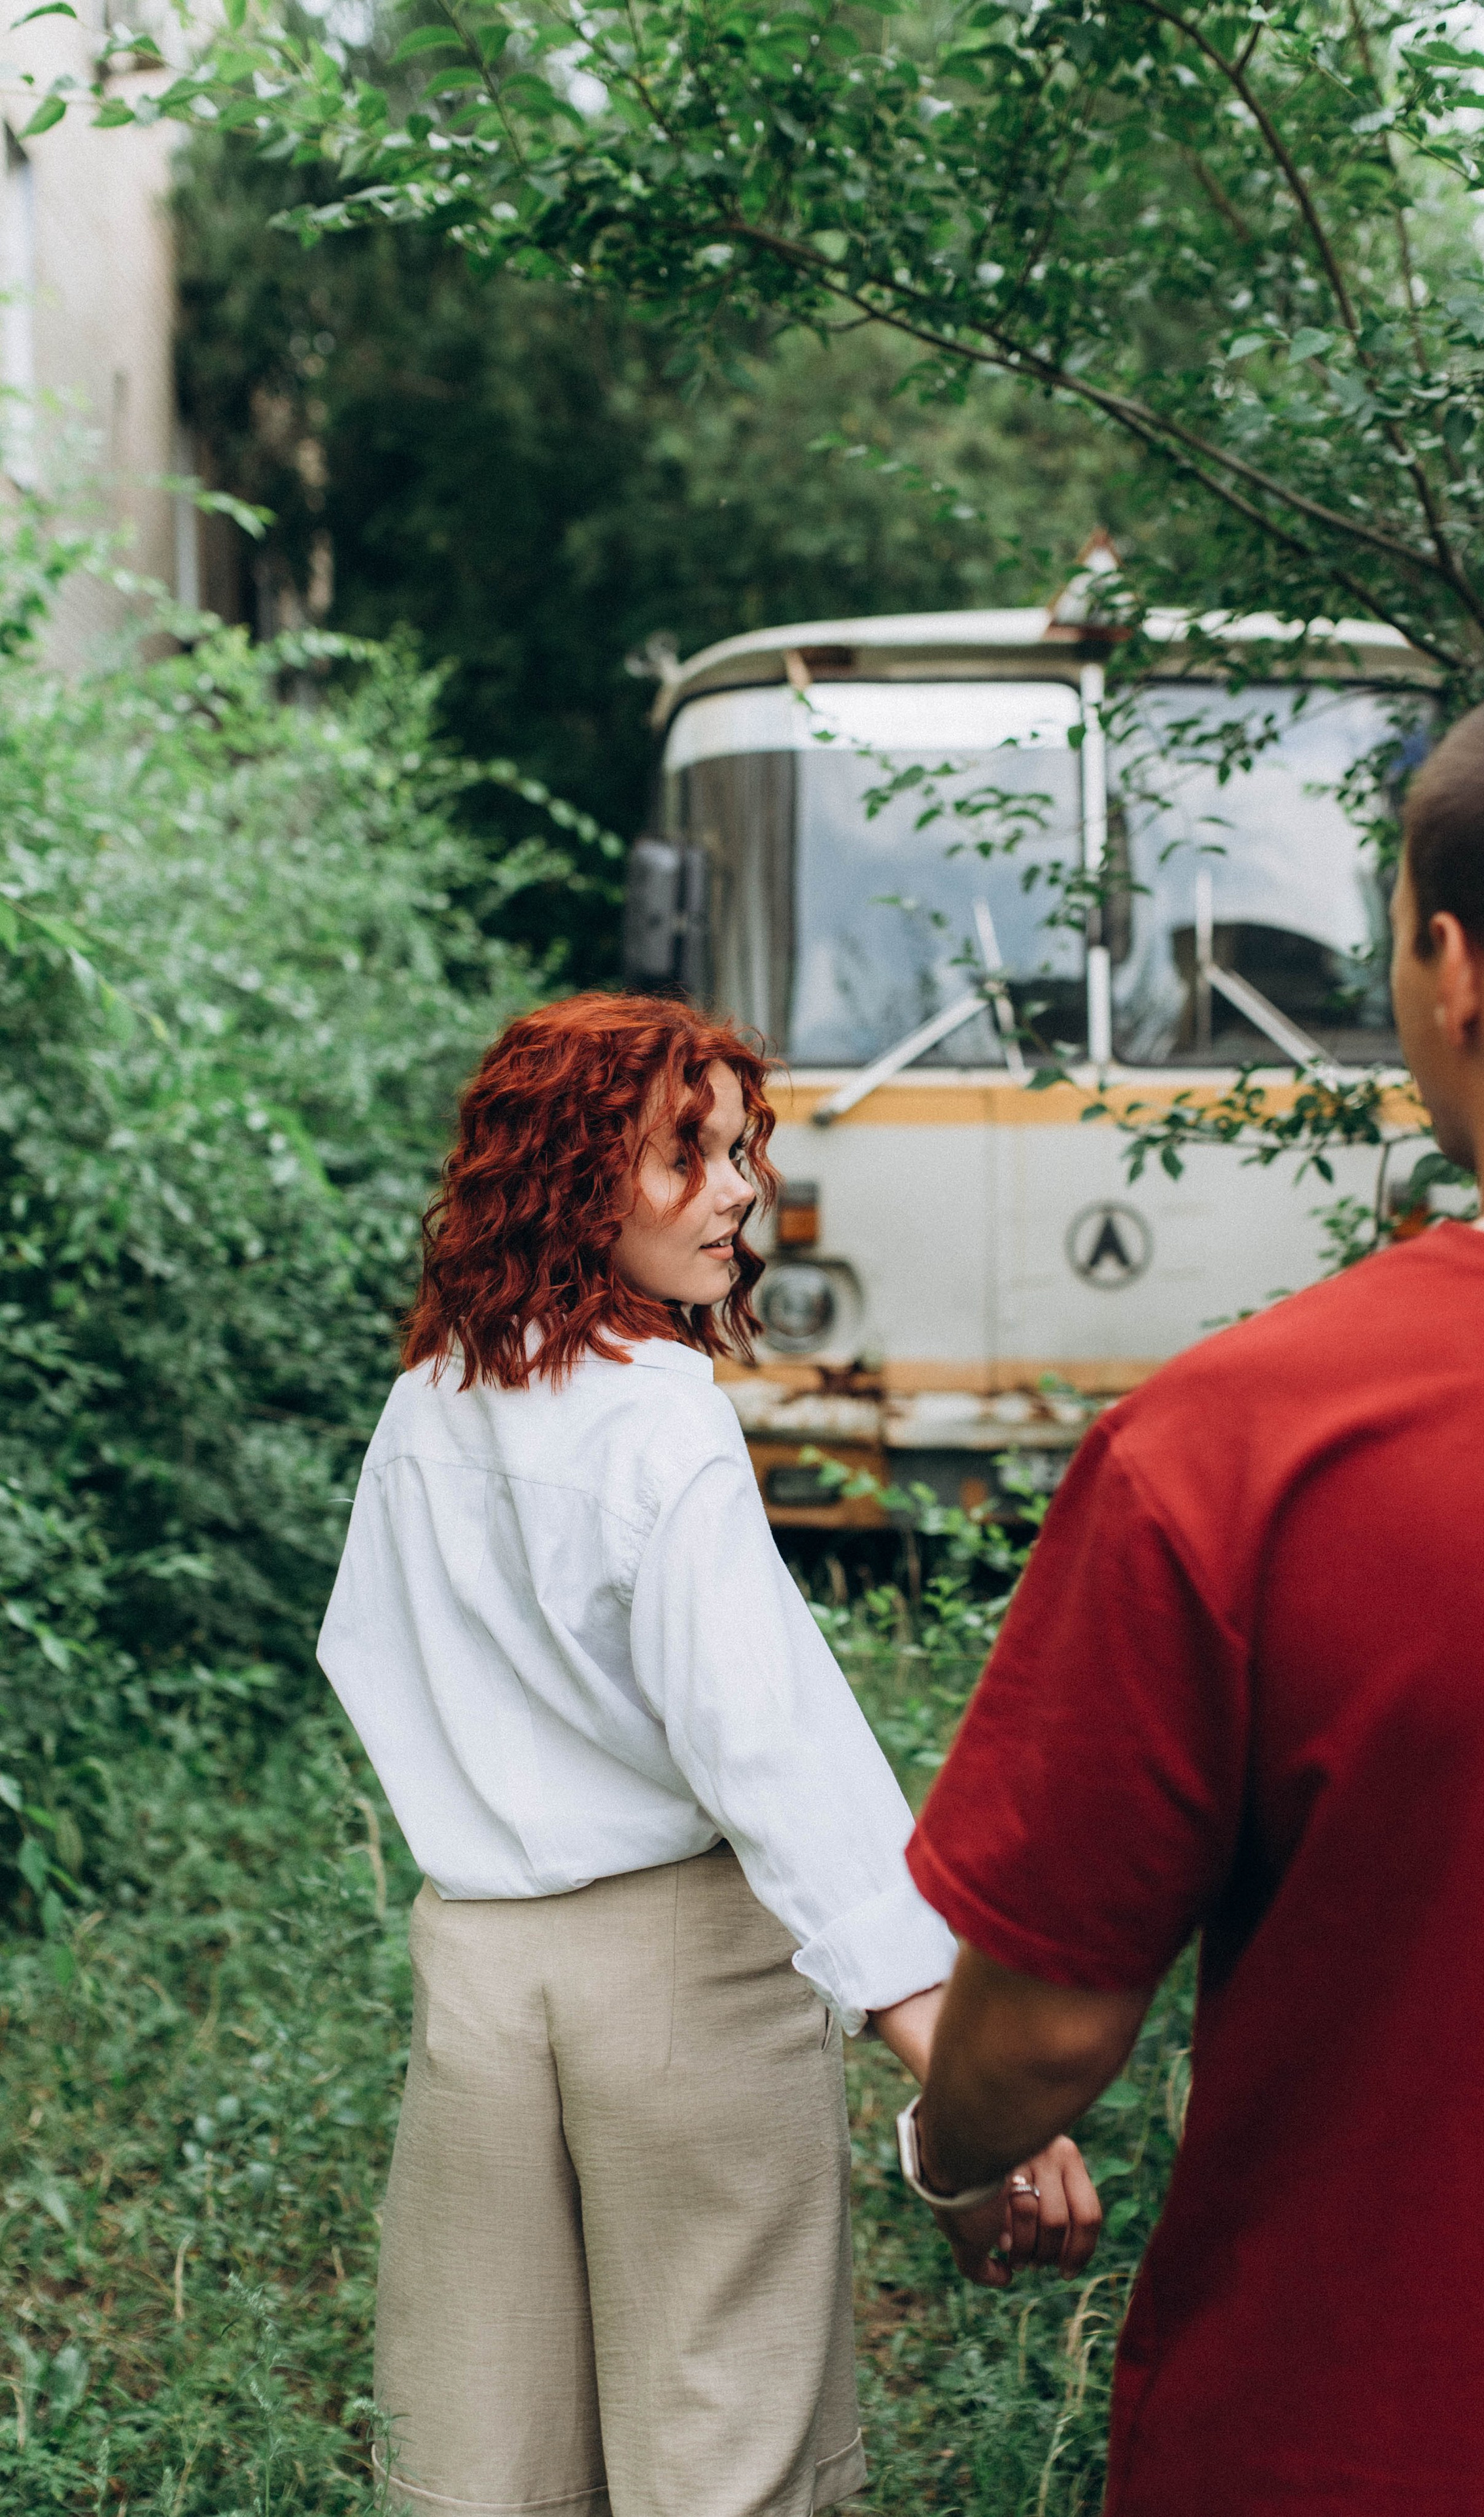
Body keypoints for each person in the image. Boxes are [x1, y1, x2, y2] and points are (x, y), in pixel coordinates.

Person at [895, 663, 1484, 2514]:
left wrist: (949, 2150)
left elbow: (1049, 2025)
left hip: (1356, 2437)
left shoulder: (1240, 1441)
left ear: (1450, 967)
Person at [317, 992, 1097, 2517]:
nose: (741, 1190)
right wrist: (966, 2088)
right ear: (574, 1167)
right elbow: (773, 1760)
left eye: (742, 1151)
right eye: (693, 1153)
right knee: (721, 2459)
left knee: (482, 2468)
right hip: (684, 1980)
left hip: (475, 1976)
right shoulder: (659, 1423)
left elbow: (365, 1649)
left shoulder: (428, 1402)